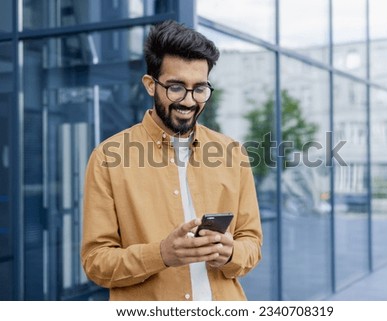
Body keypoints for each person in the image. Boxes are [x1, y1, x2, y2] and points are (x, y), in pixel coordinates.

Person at [81, 20, 262, 301]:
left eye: (199, 88)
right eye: (176, 87)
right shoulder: (108, 157)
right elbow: (96, 262)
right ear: (150, 85)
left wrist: (231, 253)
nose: (189, 101)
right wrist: (161, 254)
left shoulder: (232, 153)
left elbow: (252, 244)